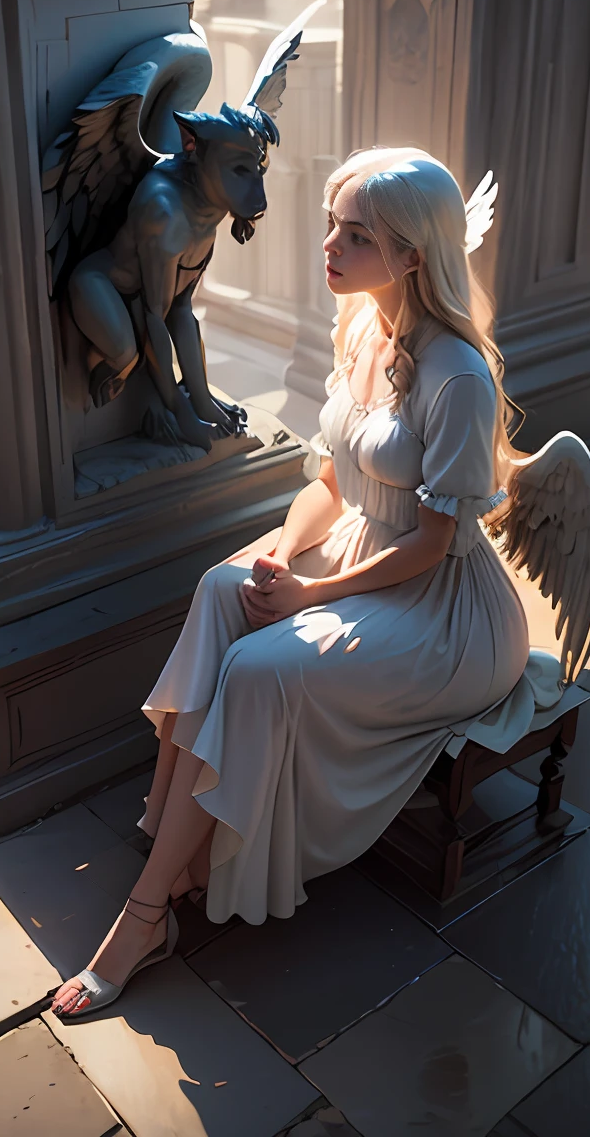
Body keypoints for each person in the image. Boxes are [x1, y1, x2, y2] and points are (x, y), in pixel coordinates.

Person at [50, 148, 530, 1020]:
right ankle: (179, 846)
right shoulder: (362, 335)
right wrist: (281, 557)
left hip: (447, 613)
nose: (328, 246)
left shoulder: (457, 378)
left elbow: (434, 543)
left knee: (263, 668)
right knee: (218, 588)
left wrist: (310, 597)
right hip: (363, 550)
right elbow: (332, 484)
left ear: (414, 255)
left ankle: (146, 911)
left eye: (356, 235)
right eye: (331, 226)